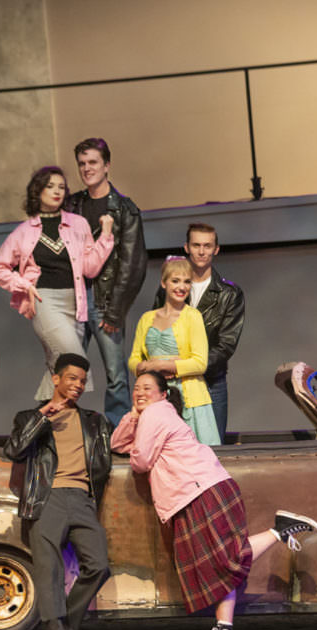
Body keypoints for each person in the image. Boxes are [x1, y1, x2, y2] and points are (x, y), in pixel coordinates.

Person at [110, 371, 317, 630]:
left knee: (226, 560)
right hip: (203, 489)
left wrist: (141, 421)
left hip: (198, 491)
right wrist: (134, 416)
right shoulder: (154, 416)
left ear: (163, 394)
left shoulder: (156, 412)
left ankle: (280, 530)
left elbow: (140, 462)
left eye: (147, 388)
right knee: (219, 565)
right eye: (137, 388)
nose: (140, 392)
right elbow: (117, 444)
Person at [4, 353, 115, 630]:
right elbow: (14, 450)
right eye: (72, 378)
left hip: (81, 498)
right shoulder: (29, 416)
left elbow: (106, 458)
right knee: (49, 568)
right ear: (56, 379)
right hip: (47, 496)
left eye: (82, 381)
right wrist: (43, 417)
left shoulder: (94, 421)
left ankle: (64, 627)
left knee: (98, 565)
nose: (78, 385)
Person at [0, 165, 115, 401]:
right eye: (50, 186)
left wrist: (106, 236)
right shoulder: (24, 231)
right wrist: (24, 285)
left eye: (61, 187)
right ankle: (50, 417)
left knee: (59, 368)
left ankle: (42, 418)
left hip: (75, 304)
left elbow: (90, 268)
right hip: (44, 301)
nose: (57, 191)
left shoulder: (78, 224)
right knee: (76, 362)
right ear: (38, 191)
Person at [64, 138, 148, 426]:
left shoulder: (124, 209)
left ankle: (118, 435)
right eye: (82, 164)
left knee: (116, 375)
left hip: (105, 302)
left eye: (93, 162)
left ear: (107, 165)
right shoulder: (72, 205)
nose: (87, 169)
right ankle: (62, 431)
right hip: (74, 299)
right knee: (64, 370)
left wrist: (115, 311)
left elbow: (133, 264)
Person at [153, 223, 244, 438]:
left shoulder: (229, 294)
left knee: (211, 450)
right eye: (196, 245)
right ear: (187, 247)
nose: (202, 251)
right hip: (171, 382)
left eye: (207, 246)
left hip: (210, 381)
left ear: (216, 249)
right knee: (172, 445)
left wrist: (184, 366)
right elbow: (155, 329)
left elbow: (226, 345)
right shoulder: (170, 288)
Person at [130, 258, 219, 444]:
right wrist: (148, 368)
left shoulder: (193, 316)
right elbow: (133, 359)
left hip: (189, 399)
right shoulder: (147, 318)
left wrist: (164, 365)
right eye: (175, 281)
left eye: (187, 282)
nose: (182, 287)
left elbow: (200, 363)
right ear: (164, 283)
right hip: (155, 397)